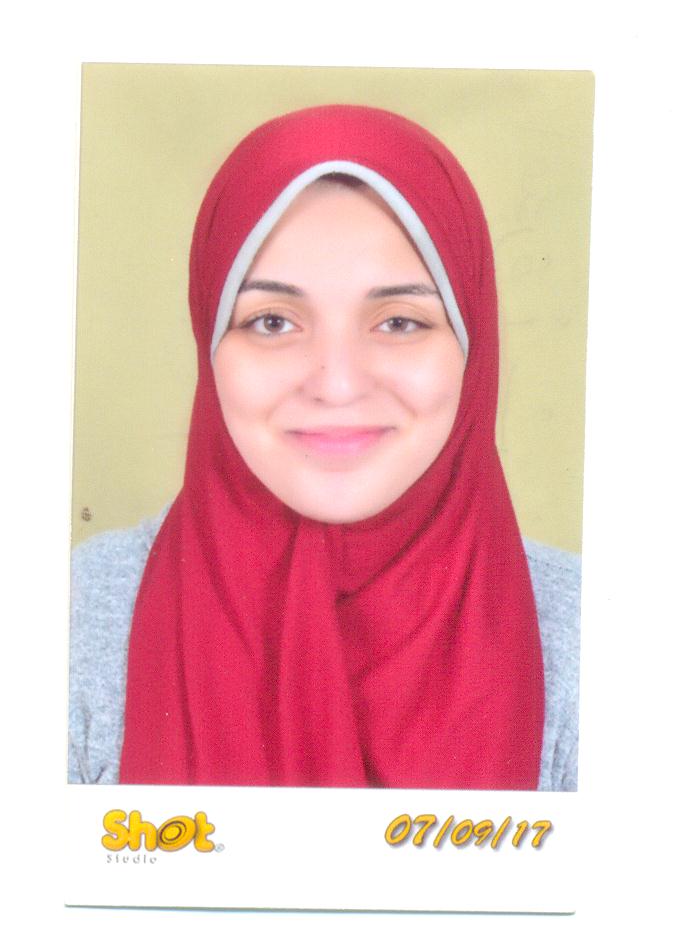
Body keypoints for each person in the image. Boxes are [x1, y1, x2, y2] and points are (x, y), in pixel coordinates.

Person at [69, 104, 580, 790]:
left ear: (472, 342)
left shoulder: (597, 637)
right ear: (208, 341)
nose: (337, 385)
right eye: (272, 321)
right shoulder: (72, 619)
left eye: (399, 322)